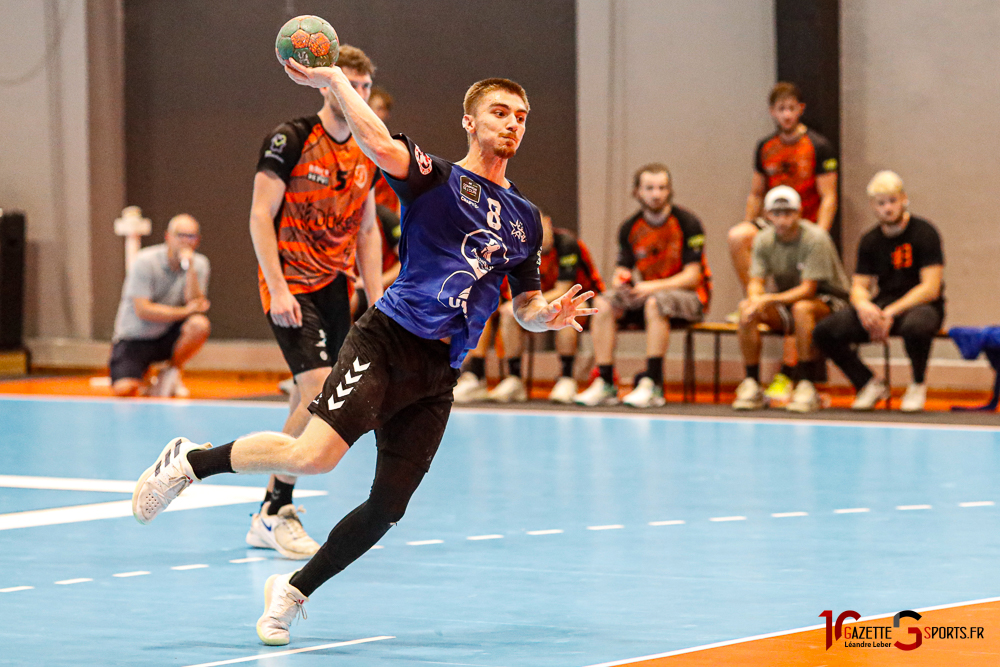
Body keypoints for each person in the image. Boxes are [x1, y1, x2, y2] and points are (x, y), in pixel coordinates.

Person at [132, 63, 595, 646]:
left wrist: (545, 315)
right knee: (314, 456)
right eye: (499, 113)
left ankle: (292, 592)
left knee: (387, 508)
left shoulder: (527, 219)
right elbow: (377, 142)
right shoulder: (437, 178)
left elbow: (523, 304)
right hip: (387, 339)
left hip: (439, 371)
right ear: (470, 122)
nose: (512, 125)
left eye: (521, 117)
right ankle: (192, 462)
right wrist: (334, 81)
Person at [247, 45, 384, 561]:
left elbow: (368, 229)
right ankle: (274, 510)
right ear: (326, 84)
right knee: (316, 391)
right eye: (350, 83)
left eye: (366, 87)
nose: (358, 94)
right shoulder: (292, 138)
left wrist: (373, 295)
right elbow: (261, 215)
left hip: (334, 286)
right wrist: (277, 286)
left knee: (305, 399)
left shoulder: (368, 151)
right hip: (290, 283)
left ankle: (268, 512)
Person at [727, 82, 839, 404]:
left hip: (804, 223)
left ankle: (797, 378)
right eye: (780, 109)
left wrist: (819, 234)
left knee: (802, 305)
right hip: (775, 221)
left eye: (792, 108)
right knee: (738, 236)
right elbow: (756, 192)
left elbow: (829, 196)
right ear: (772, 112)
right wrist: (753, 222)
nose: (786, 114)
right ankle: (755, 302)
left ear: (800, 109)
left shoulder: (818, 146)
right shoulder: (766, 147)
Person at [575, 163, 711, 408]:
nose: (656, 194)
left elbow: (693, 277)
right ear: (637, 192)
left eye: (662, 188)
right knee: (603, 302)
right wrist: (621, 281)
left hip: (690, 298)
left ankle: (653, 384)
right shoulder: (630, 228)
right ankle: (605, 381)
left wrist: (649, 287)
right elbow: (623, 269)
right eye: (649, 188)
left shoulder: (687, 223)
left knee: (654, 302)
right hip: (648, 293)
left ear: (670, 191)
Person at [813, 171, 945, 412]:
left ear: (904, 199)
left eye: (892, 201)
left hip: (920, 305)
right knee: (824, 331)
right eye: (881, 203)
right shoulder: (870, 240)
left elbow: (930, 287)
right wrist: (865, 307)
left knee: (916, 326)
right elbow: (859, 286)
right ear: (873, 206)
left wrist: (892, 312)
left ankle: (917, 384)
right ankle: (868, 383)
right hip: (884, 303)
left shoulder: (925, 233)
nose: (887, 208)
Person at [731, 186, 849, 412]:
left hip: (830, 301)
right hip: (788, 302)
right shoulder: (763, 240)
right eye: (777, 213)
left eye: (788, 213)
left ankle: (805, 383)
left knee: (803, 309)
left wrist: (769, 299)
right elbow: (756, 280)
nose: (783, 219)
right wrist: (756, 300)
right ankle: (752, 383)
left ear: (799, 213)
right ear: (767, 215)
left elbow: (808, 290)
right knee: (746, 307)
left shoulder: (816, 238)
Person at [480, 213, 605, 403]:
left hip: (577, 301)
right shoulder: (519, 250)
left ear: (548, 222)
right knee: (508, 313)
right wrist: (529, 306)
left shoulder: (567, 244)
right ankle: (514, 380)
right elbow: (512, 290)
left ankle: (567, 378)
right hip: (539, 303)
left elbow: (564, 289)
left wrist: (539, 306)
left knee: (565, 309)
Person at [109, 214, 210, 398]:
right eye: (181, 235)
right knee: (125, 390)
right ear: (168, 236)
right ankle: (144, 375)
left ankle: (170, 372)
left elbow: (196, 303)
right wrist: (185, 311)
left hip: (166, 336)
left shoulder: (199, 264)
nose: (186, 241)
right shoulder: (145, 262)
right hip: (135, 338)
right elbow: (143, 309)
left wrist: (190, 269)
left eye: (192, 236)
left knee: (199, 325)